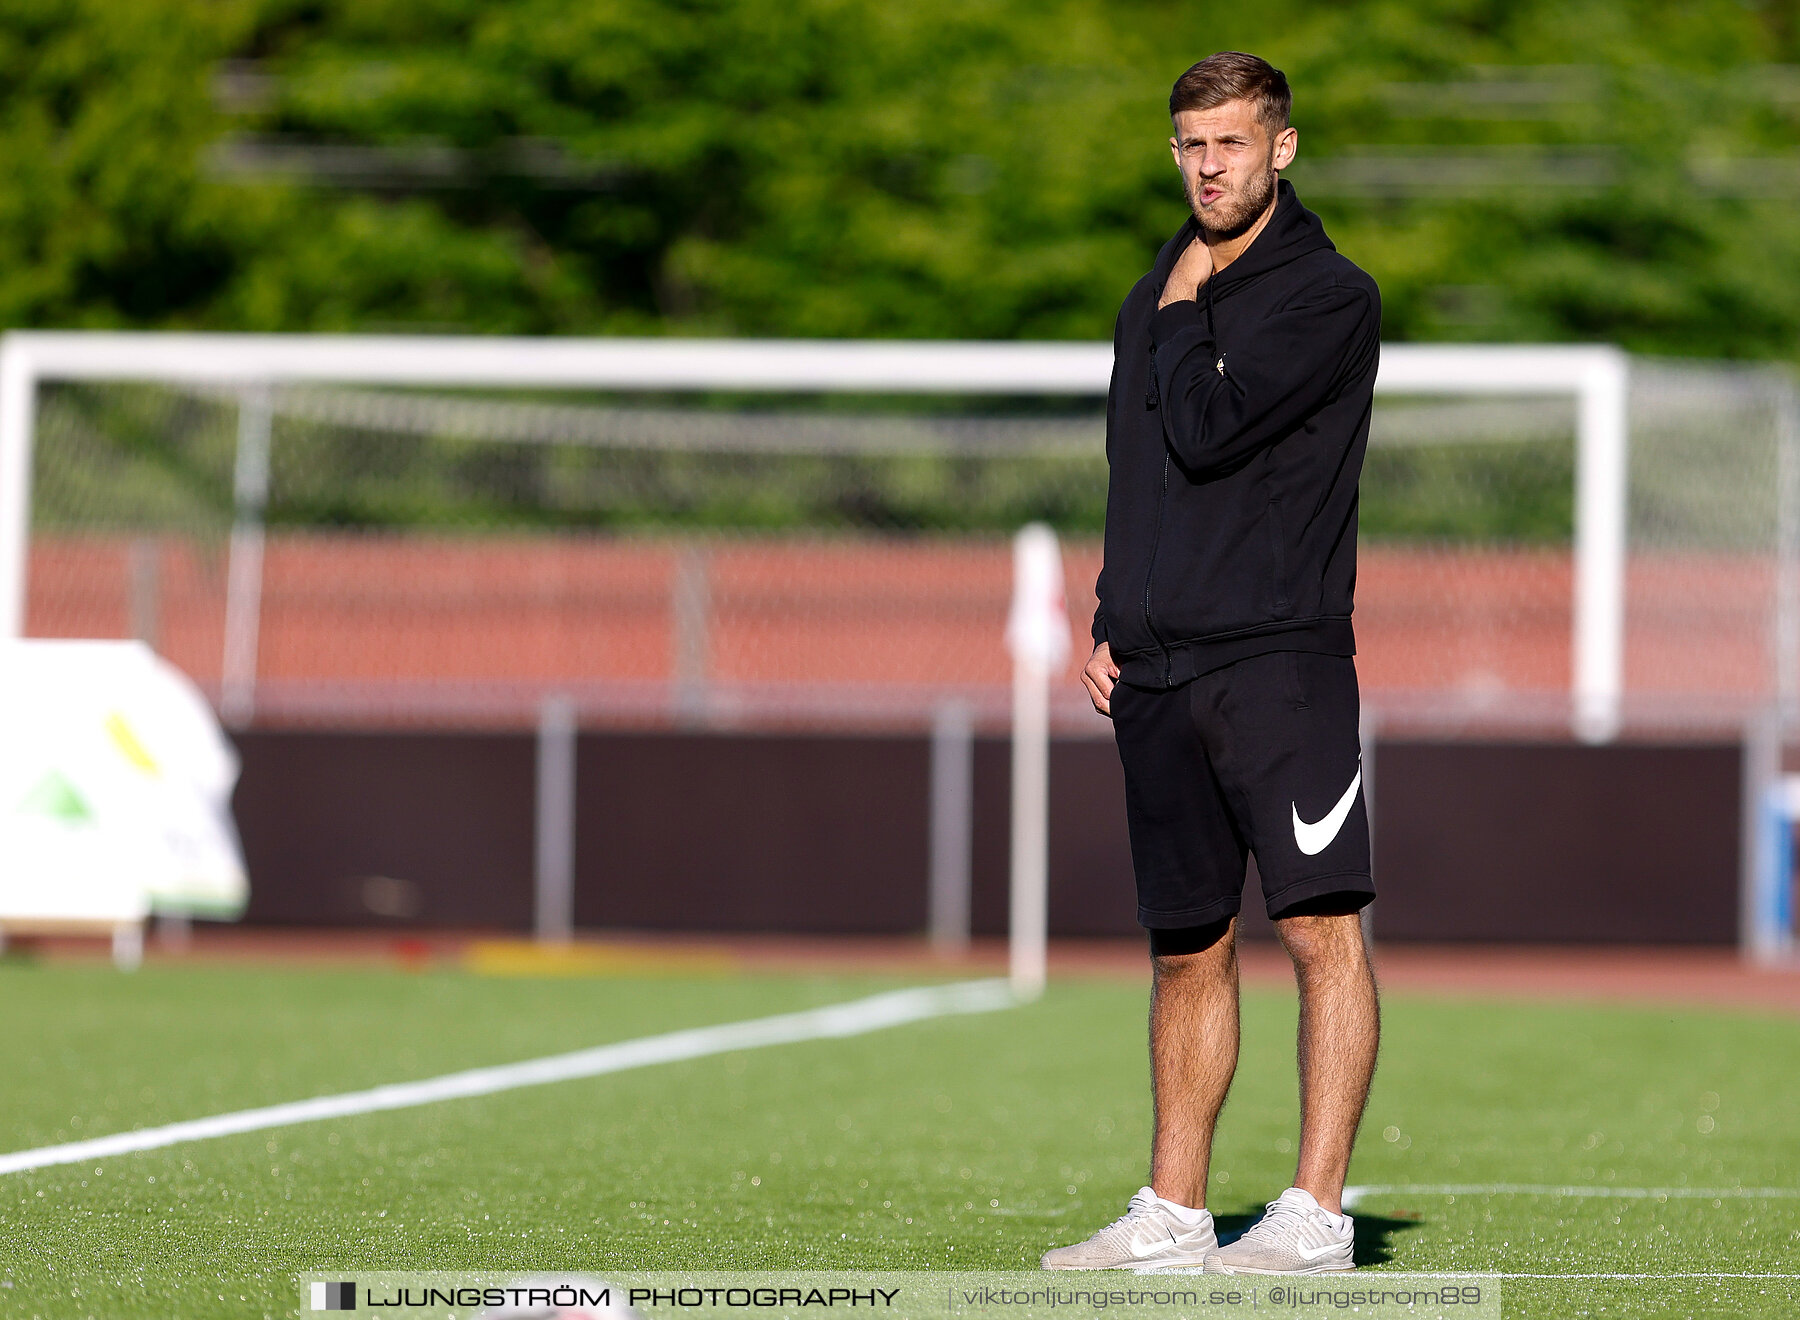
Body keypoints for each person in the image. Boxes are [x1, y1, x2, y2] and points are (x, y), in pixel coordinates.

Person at [1042, 51, 1381, 1276]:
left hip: (1280, 666)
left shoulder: (1328, 296)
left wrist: (1185, 310)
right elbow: (1143, 471)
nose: (1208, 167)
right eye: (1190, 145)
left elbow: (1210, 425)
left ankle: (1316, 1216)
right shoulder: (1155, 294)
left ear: (1281, 148)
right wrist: (1107, 615)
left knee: (1319, 930)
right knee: (1186, 945)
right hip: (1161, 671)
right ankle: (1174, 1214)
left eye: (1231, 143)